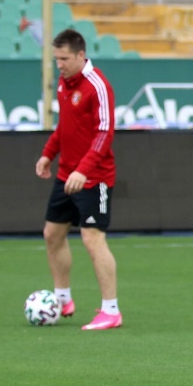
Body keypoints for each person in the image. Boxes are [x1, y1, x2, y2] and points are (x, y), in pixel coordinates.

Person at [35, 29, 122, 330]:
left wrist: (83, 170)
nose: (59, 64)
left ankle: (111, 311)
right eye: (56, 59)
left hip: (94, 178)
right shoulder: (64, 83)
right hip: (66, 175)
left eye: (64, 59)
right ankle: (62, 299)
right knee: (52, 234)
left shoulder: (98, 85)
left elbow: (104, 133)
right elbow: (65, 126)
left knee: (92, 238)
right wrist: (48, 154)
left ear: (81, 55)